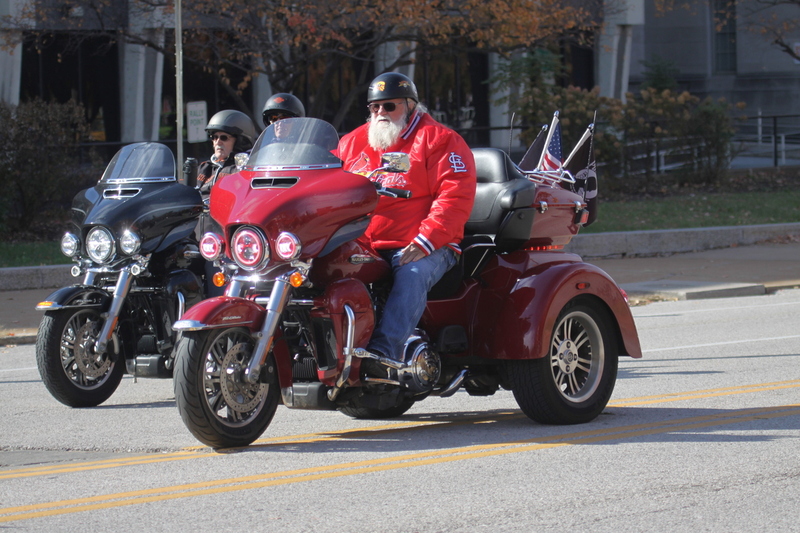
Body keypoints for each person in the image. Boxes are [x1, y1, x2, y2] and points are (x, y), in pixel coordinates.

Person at [336, 72, 477, 374]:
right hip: (365, 243)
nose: (380, 113)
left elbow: (455, 195)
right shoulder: (352, 142)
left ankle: (382, 356)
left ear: (411, 106)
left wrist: (426, 239)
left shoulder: (439, 139)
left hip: (425, 244)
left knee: (412, 274)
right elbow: (324, 177)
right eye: (375, 107)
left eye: (390, 106)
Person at [197, 110, 257, 197]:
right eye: (214, 137)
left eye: (224, 138)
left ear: (240, 141)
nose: (218, 142)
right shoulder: (205, 168)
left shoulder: (245, 168)